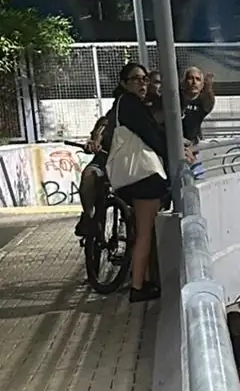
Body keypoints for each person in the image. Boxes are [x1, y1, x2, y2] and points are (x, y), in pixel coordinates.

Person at [107, 61, 193, 303]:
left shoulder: (127, 104)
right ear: (124, 83)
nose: (143, 83)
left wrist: (178, 143)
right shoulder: (130, 104)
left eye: (145, 79)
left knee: (141, 231)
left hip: (136, 178)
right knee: (145, 233)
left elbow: (153, 130)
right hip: (143, 178)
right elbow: (151, 133)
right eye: (136, 79)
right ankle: (137, 287)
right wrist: (175, 152)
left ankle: (141, 280)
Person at [75, 113, 112, 237]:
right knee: (89, 174)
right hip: (104, 161)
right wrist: (93, 144)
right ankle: (88, 216)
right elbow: (98, 134)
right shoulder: (106, 121)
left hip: (128, 163)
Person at [181, 66, 215, 179]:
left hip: (193, 151)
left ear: (202, 85)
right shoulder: (175, 99)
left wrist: (209, 87)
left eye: (197, 79)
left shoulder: (201, 103)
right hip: (173, 149)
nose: (194, 82)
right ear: (184, 82)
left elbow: (209, 103)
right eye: (190, 78)